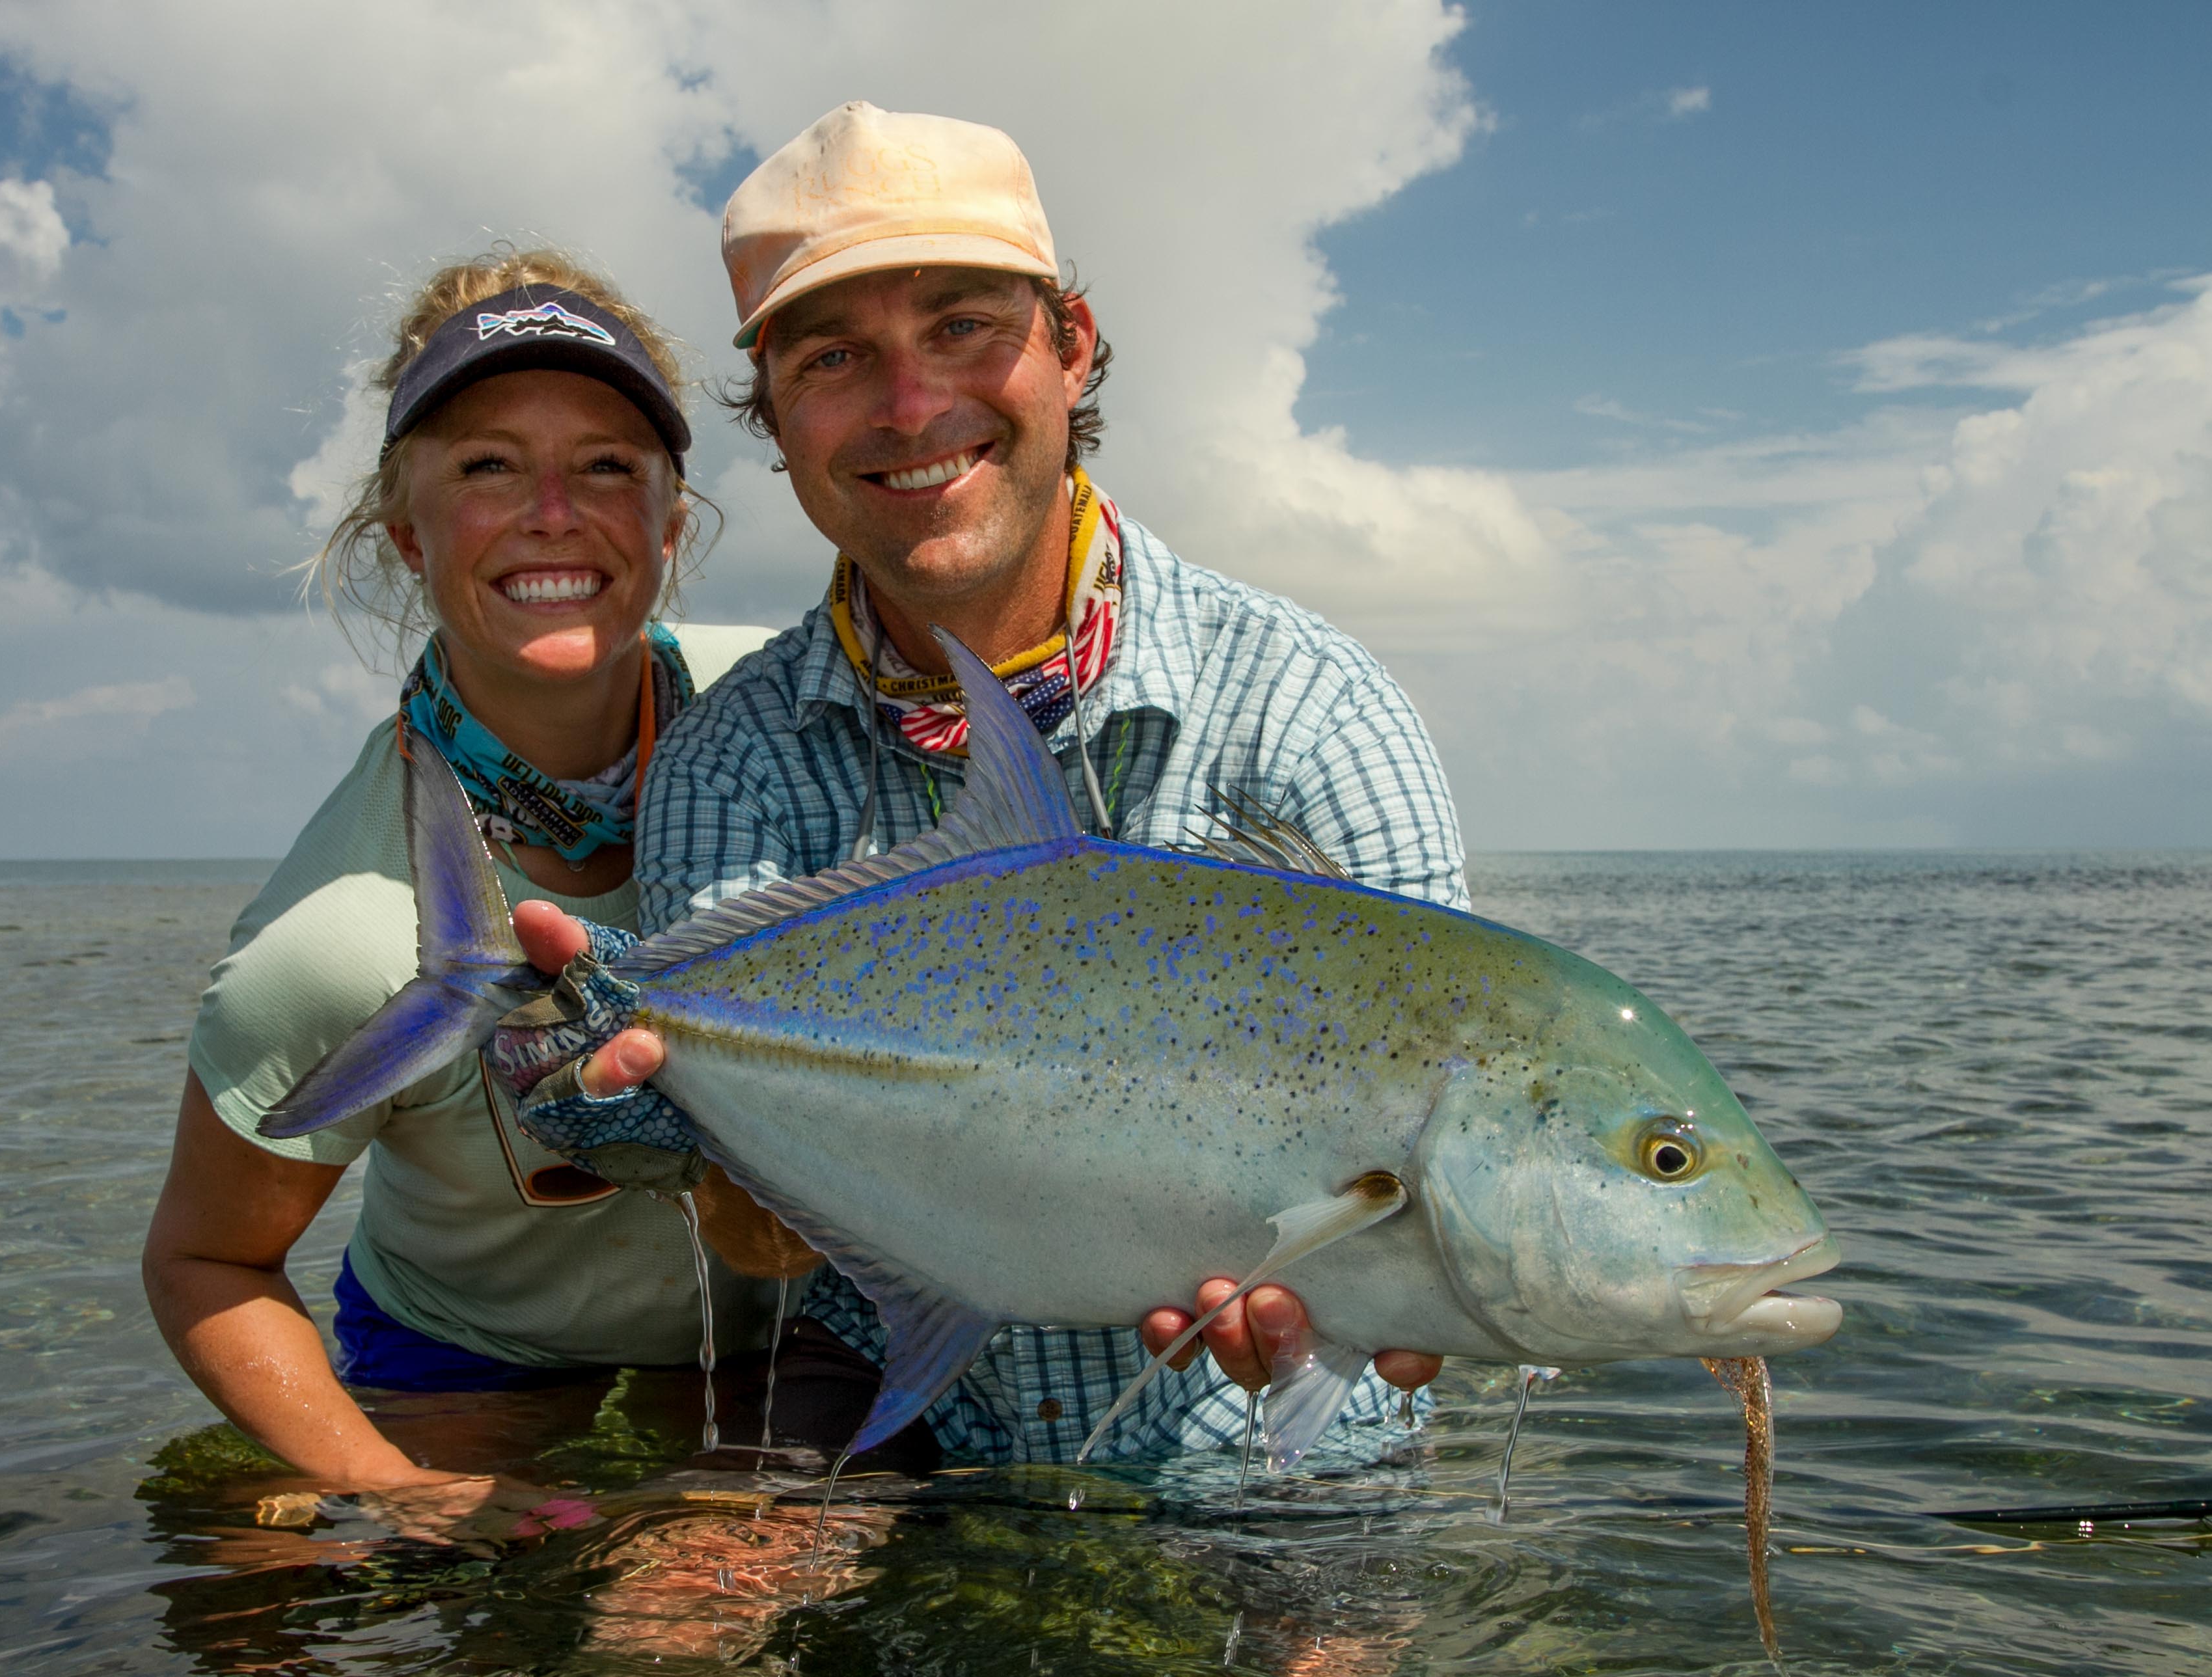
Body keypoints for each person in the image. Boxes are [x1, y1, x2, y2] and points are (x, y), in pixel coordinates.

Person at [517, 103, 1464, 1467]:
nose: (910, 407)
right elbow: (754, 1204)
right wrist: (716, 1165)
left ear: (1070, 347)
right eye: (835, 357)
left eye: (965, 325)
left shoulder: (1313, 717)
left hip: (1277, 1442)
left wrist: (1406, 1292)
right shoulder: (731, 760)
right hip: (908, 1424)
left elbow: (1416, 1142)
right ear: (773, 420)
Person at [141, 249, 776, 1524]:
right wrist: (398, 1488)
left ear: (670, 517)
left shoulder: (802, 724)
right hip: (463, 1351)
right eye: (488, 465)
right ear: (405, 527)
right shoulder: (336, 941)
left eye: (606, 463)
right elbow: (208, 1260)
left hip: (775, 1335)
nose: (553, 508)